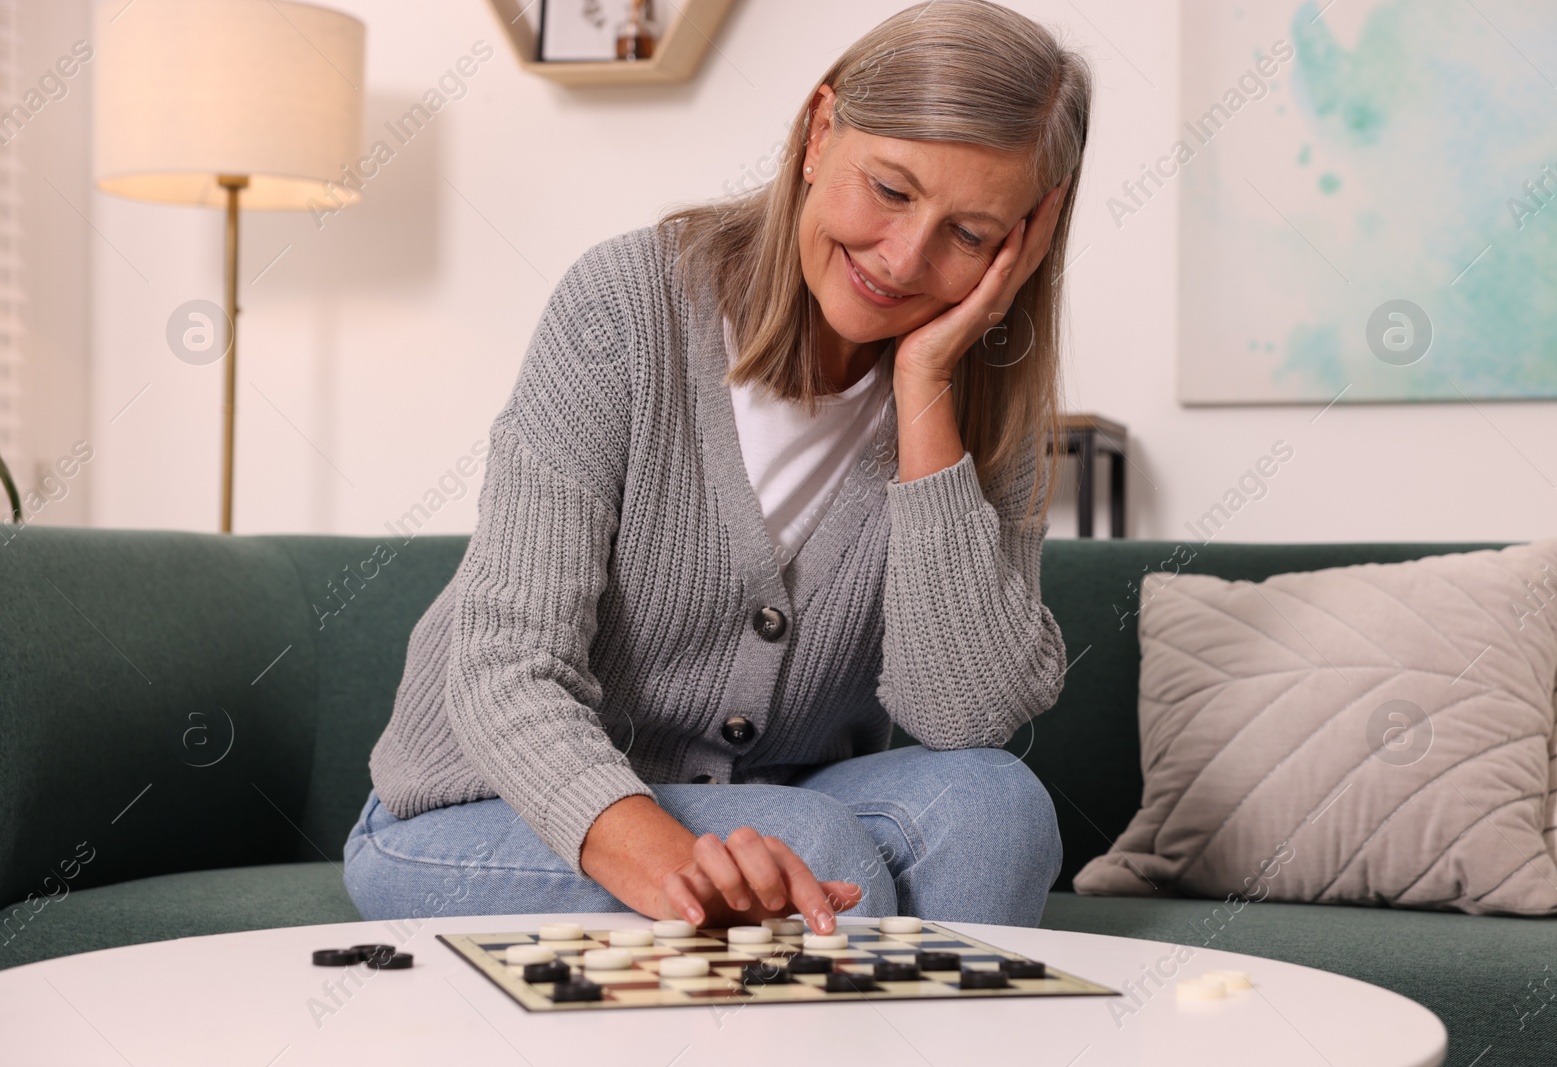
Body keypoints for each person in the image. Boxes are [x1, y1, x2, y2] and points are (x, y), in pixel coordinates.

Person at [345, 0, 1093, 934]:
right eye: (892, 191)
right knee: (812, 851)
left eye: (972, 234)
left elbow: (963, 712)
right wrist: (684, 867)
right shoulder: (628, 308)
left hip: (771, 802)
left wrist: (929, 386)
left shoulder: (984, 404)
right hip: (479, 814)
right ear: (822, 131)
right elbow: (506, 670)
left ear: (1026, 239)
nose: (905, 259)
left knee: (998, 814)